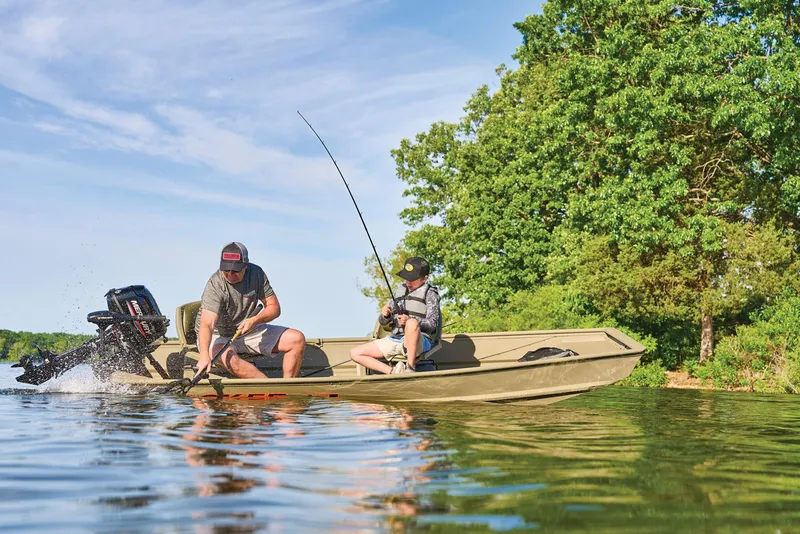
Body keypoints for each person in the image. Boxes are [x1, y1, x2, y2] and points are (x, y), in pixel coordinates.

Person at [194, 242, 305, 379]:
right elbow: (207, 324)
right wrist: (204, 355)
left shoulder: (256, 273)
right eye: (226, 270)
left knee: (296, 339)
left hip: (249, 330)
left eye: (235, 271)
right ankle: (270, 390)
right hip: (217, 335)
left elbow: (274, 308)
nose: (229, 275)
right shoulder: (215, 284)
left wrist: (254, 321)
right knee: (226, 357)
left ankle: (288, 389)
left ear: (245, 266)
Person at [350, 257, 441, 374]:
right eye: (407, 278)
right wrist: (385, 315)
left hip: (419, 341)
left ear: (425, 278)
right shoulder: (400, 291)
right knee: (355, 353)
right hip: (396, 339)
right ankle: (393, 372)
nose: (408, 282)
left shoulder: (430, 294)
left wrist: (411, 320)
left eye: (413, 279)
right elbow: (383, 322)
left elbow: (433, 324)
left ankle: (410, 368)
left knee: (412, 323)